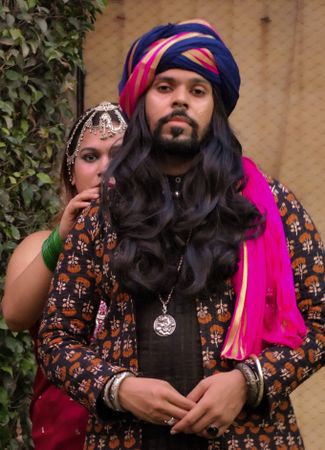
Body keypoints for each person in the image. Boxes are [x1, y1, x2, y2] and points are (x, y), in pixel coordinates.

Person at [38, 19, 324, 450]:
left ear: (215, 107)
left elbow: (320, 319)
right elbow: (56, 335)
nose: (180, 102)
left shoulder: (266, 205)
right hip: (125, 438)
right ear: (141, 101)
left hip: (249, 438)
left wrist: (248, 382)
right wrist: (117, 388)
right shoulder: (103, 212)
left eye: (197, 90)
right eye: (165, 87)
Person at [1, 102, 127, 449]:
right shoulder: (41, 245)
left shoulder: (162, 245)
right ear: (71, 173)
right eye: (90, 156)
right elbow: (14, 315)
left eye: (118, 154)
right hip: (64, 432)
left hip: (141, 425)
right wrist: (63, 239)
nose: (105, 168)